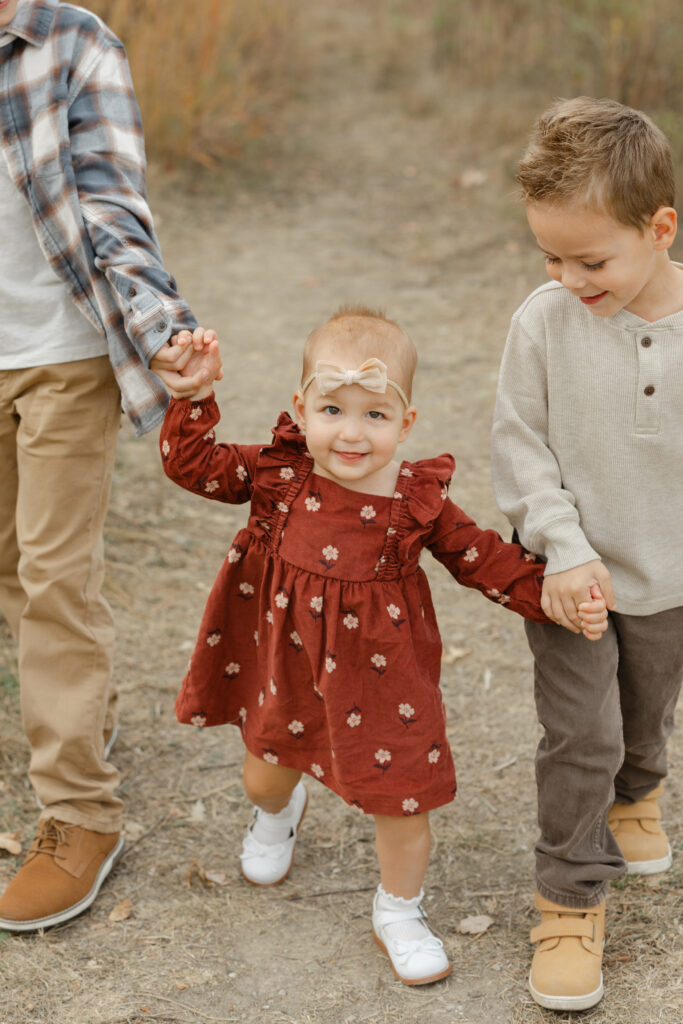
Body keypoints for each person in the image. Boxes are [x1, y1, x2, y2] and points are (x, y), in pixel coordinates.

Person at [158, 306, 607, 986]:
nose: (350, 432)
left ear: (406, 423)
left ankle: (398, 910)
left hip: (382, 681)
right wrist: (193, 396)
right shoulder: (278, 478)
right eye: (332, 409)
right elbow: (196, 467)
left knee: (401, 797)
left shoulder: (412, 500)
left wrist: (554, 594)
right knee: (263, 773)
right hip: (286, 667)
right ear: (300, 408)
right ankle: (276, 814)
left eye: (374, 415)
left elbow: (480, 558)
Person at [0, 0, 219, 932]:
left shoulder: (69, 43)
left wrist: (163, 328)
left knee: (53, 574)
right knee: (9, 564)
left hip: (60, 353)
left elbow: (111, 204)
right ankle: (84, 710)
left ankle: (81, 811)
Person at [491, 96, 683, 1011]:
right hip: (568, 575)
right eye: (549, 256)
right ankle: (567, 896)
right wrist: (559, 550)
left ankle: (635, 794)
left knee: (643, 717)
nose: (566, 277)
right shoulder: (544, 322)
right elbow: (520, 445)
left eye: (589, 258)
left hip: (669, 574)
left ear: (660, 227)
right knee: (583, 732)